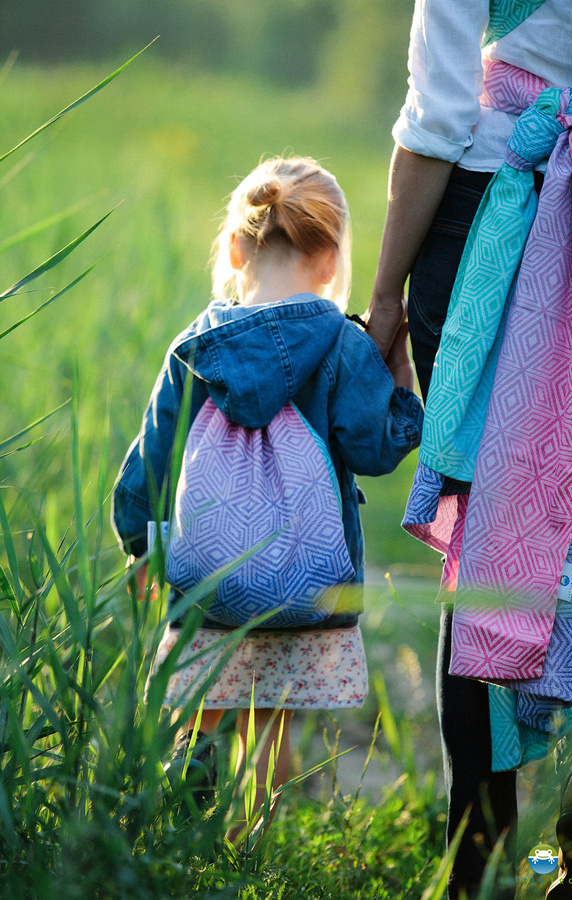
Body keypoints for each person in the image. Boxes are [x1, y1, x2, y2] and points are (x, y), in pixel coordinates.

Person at [111, 155, 424, 839]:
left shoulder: (198, 345)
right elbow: (376, 448)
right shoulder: (342, 344)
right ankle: (256, 844)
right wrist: (395, 368)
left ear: (234, 247)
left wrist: (140, 542)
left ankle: (187, 771)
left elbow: (153, 461)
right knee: (271, 721)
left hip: (210, 573)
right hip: (303, 586)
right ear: (330, 258)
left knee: (199, 697)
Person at [367, 2, 572, 898]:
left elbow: (439, 115)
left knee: (493, 544)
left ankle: (479, 864)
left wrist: (385, 298)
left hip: (493, 215)